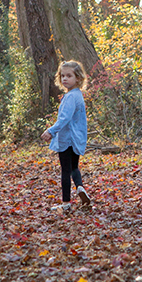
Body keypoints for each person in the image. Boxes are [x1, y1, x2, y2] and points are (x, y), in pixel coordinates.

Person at [41, 60, 92, 210]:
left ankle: (66, 204)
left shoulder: (70, 97)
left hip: (67, 139)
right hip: (76, 138)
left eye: (69, 76)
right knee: (74, 167)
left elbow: (65, 119)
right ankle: (80, 187)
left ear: (78, 78)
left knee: (65, 170)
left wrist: (51, 131)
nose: (65, 79)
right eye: (62, 76)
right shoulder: (77, 95)